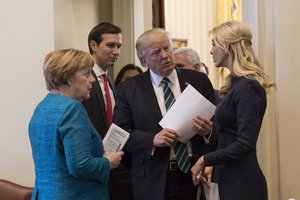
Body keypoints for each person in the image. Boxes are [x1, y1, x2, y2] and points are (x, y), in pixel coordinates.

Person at [113, 28, 216, 200]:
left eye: (167, 48)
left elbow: (218, 126)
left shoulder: (199, 81)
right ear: (144, 61)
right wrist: (152, 139)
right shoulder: (129, 89)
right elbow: (121, 134)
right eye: (156, 52)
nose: (165, 55)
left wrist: (208, 131)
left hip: (195, 172)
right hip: (152, 178)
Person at [191, 20, 275, 200]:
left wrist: (204, 159)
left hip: (243, 185)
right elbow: (229, 138)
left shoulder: (248, 87)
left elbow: (244, 144)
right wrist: (213, 163)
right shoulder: (235, 85)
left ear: (227, 46)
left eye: (214, 44)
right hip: (228, 178)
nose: (211, 51)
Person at [28, 48, 124, 200]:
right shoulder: (72, 108)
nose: (92, 79)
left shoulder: (42, 106)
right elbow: (80, 166)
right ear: (68, 78)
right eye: (86, 73)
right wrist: (108, 162)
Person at [82, 22, 133, 200]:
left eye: (118, 46)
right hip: (92, 166)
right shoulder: (82, 79)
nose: (116, 51)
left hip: (115, 166)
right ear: (93, 46)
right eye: (110, 45)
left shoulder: (110, 82)